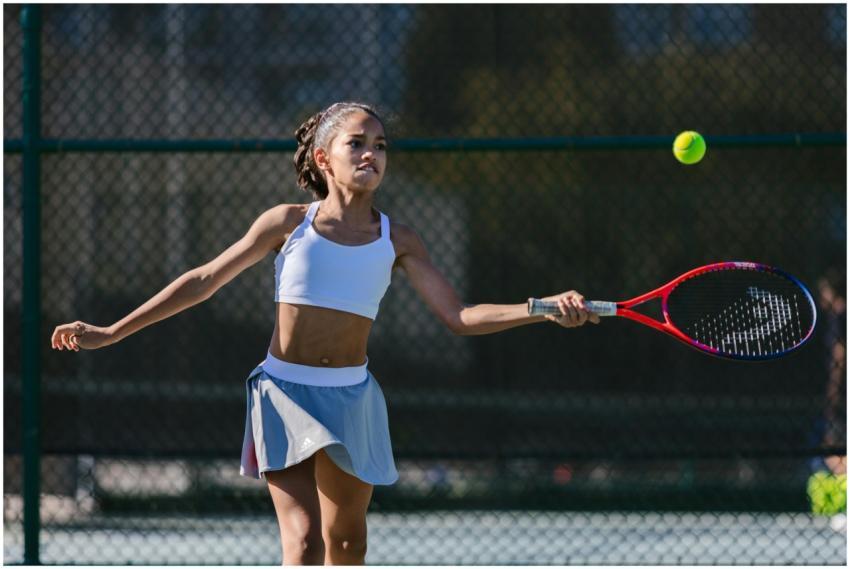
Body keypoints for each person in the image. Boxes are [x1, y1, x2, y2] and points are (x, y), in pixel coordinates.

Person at [50, 101, 599, 565]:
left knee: (346, 544)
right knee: (307, 543)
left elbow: (459, 316)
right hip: (282, 394)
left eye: (381, 145)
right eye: (356, 144)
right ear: (323, 159)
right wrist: (111, 331)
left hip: (353, 399)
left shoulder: (400, 239)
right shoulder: (286, 224)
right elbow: (202, 281)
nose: (371, 154)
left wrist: (544, 307)